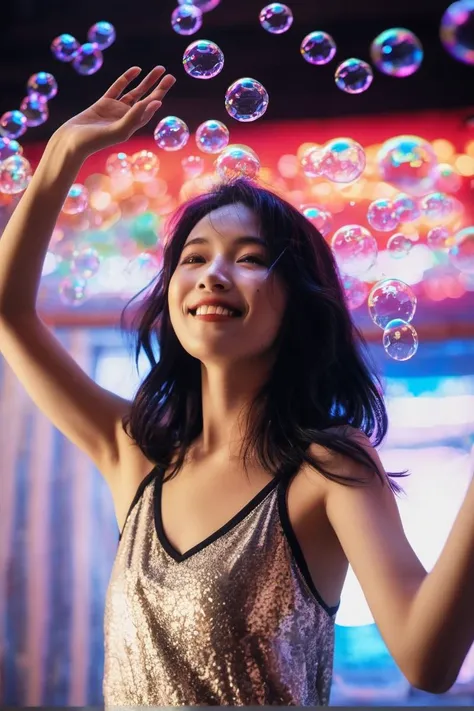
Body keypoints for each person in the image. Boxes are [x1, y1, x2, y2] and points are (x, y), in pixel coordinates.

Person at [0, 66, 473, 707]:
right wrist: (64, 152)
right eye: (193, 257)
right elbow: (8, 310)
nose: (212, 275)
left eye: (248, 259)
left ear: (300, 305)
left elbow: (429, 661)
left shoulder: (327, 468)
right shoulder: (135, 454)